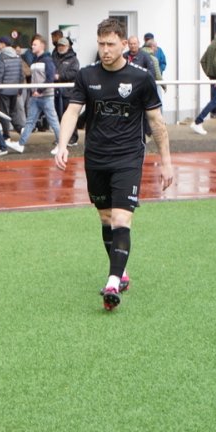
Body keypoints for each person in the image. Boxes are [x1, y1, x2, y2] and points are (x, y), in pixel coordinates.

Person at [54, 18, 174, 311]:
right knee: (106, 218)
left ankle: (112, 281)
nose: (105, 50)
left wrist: (166, 162)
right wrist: (62, 144)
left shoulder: (141, 78)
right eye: (101, 44)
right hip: (96, 157)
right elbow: (72, 112)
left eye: (110, 44)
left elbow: (157, 122)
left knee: (121, 219)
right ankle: (121, 272)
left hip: (128, 158)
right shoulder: (86, 75)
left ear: (123, 44)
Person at [6, 34, 60, 155]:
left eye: (35, 44)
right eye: (32, 44)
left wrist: (38, 91)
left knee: (53, 121)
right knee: (30, 122)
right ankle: (20, 144)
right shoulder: (36, 60)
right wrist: (34, 92)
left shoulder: (48, 60)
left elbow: (50, 78)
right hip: (36, 96)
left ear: (42, 46)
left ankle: (61, 144)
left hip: (46, 96)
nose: (32, 46)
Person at [0, 35, 22, 137]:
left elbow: (0, 75)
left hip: (3, 91)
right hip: (14, 90)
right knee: (13, 112)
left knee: (3, 114)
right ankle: (21, 129)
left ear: (3, 44)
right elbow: (21, 75)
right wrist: (19, 89)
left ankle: (6, 135)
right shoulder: (17, 57)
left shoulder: (1, 57)